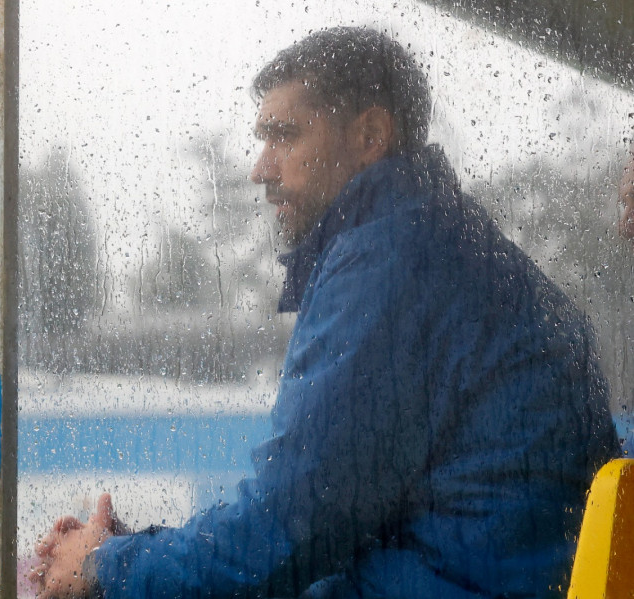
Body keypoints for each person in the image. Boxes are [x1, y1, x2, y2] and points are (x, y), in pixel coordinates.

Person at [31, 28, 618, 598]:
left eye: (284, 136)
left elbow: (286, 534)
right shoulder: (440, 242)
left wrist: (108, 566)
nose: (261, 168)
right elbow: (323, 523)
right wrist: (135, 551)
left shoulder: (392, 262)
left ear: (370, 135)